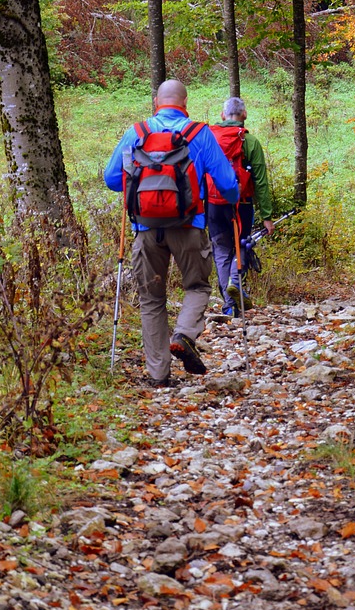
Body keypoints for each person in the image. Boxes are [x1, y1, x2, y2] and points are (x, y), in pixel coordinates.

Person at [104, 79, 239, 387]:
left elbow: (112, 179)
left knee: (151, 298)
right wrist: (231, 200)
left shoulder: (135, 134)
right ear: (185, 102)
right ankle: (184, 334)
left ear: (156, 102)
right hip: (189, 227)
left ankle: (158, 375)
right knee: (197, 287)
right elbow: (228, 184)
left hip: (146, 230)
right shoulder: (199, 134)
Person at [206, 96, 274, 315]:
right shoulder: (250, 142)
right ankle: (236, 282)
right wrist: (267, 215)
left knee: (221, 251)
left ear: (223, 115)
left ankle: (228, 306)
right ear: (244, 115)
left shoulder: (209, 138)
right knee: (242, 244)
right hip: (242, 204)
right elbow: (261, 182)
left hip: (214, 204)